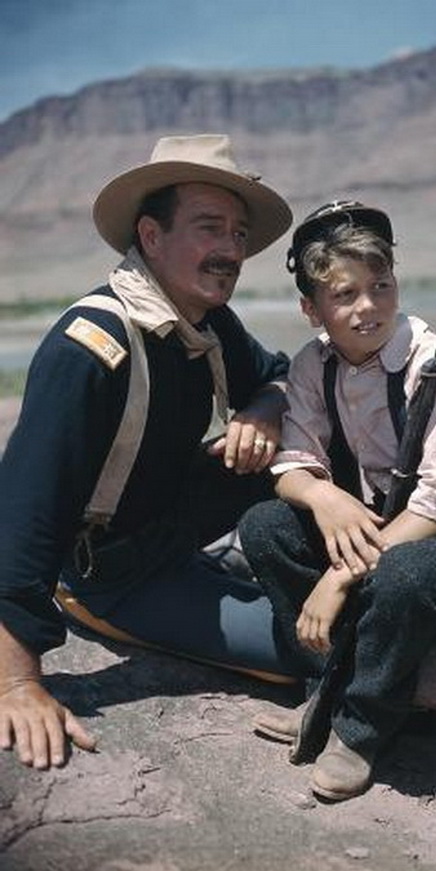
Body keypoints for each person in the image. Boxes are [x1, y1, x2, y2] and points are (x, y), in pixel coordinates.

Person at [0, 134, 303, 771]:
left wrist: (261, 412)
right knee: (319, 648)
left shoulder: (205, 320)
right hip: (111, 572)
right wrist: (16, 681)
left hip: (174, 526)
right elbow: (25, 513)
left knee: (310, 438)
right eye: (209, 227)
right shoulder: (90, 347)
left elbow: (278, 376)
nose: (231, 250)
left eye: (238, 234)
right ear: (151, 236)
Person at [238, 200, 436, 801]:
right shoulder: (314, 365)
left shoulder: (434, 366)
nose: (367, 306)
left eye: (380, 286)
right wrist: (322, 496)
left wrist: (341, 574)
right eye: (344, 295)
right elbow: (291, 465)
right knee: (264, 527)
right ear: (312, 309)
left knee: (400, 576)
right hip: (384, 514)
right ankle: (325, 689)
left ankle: (361, 729)